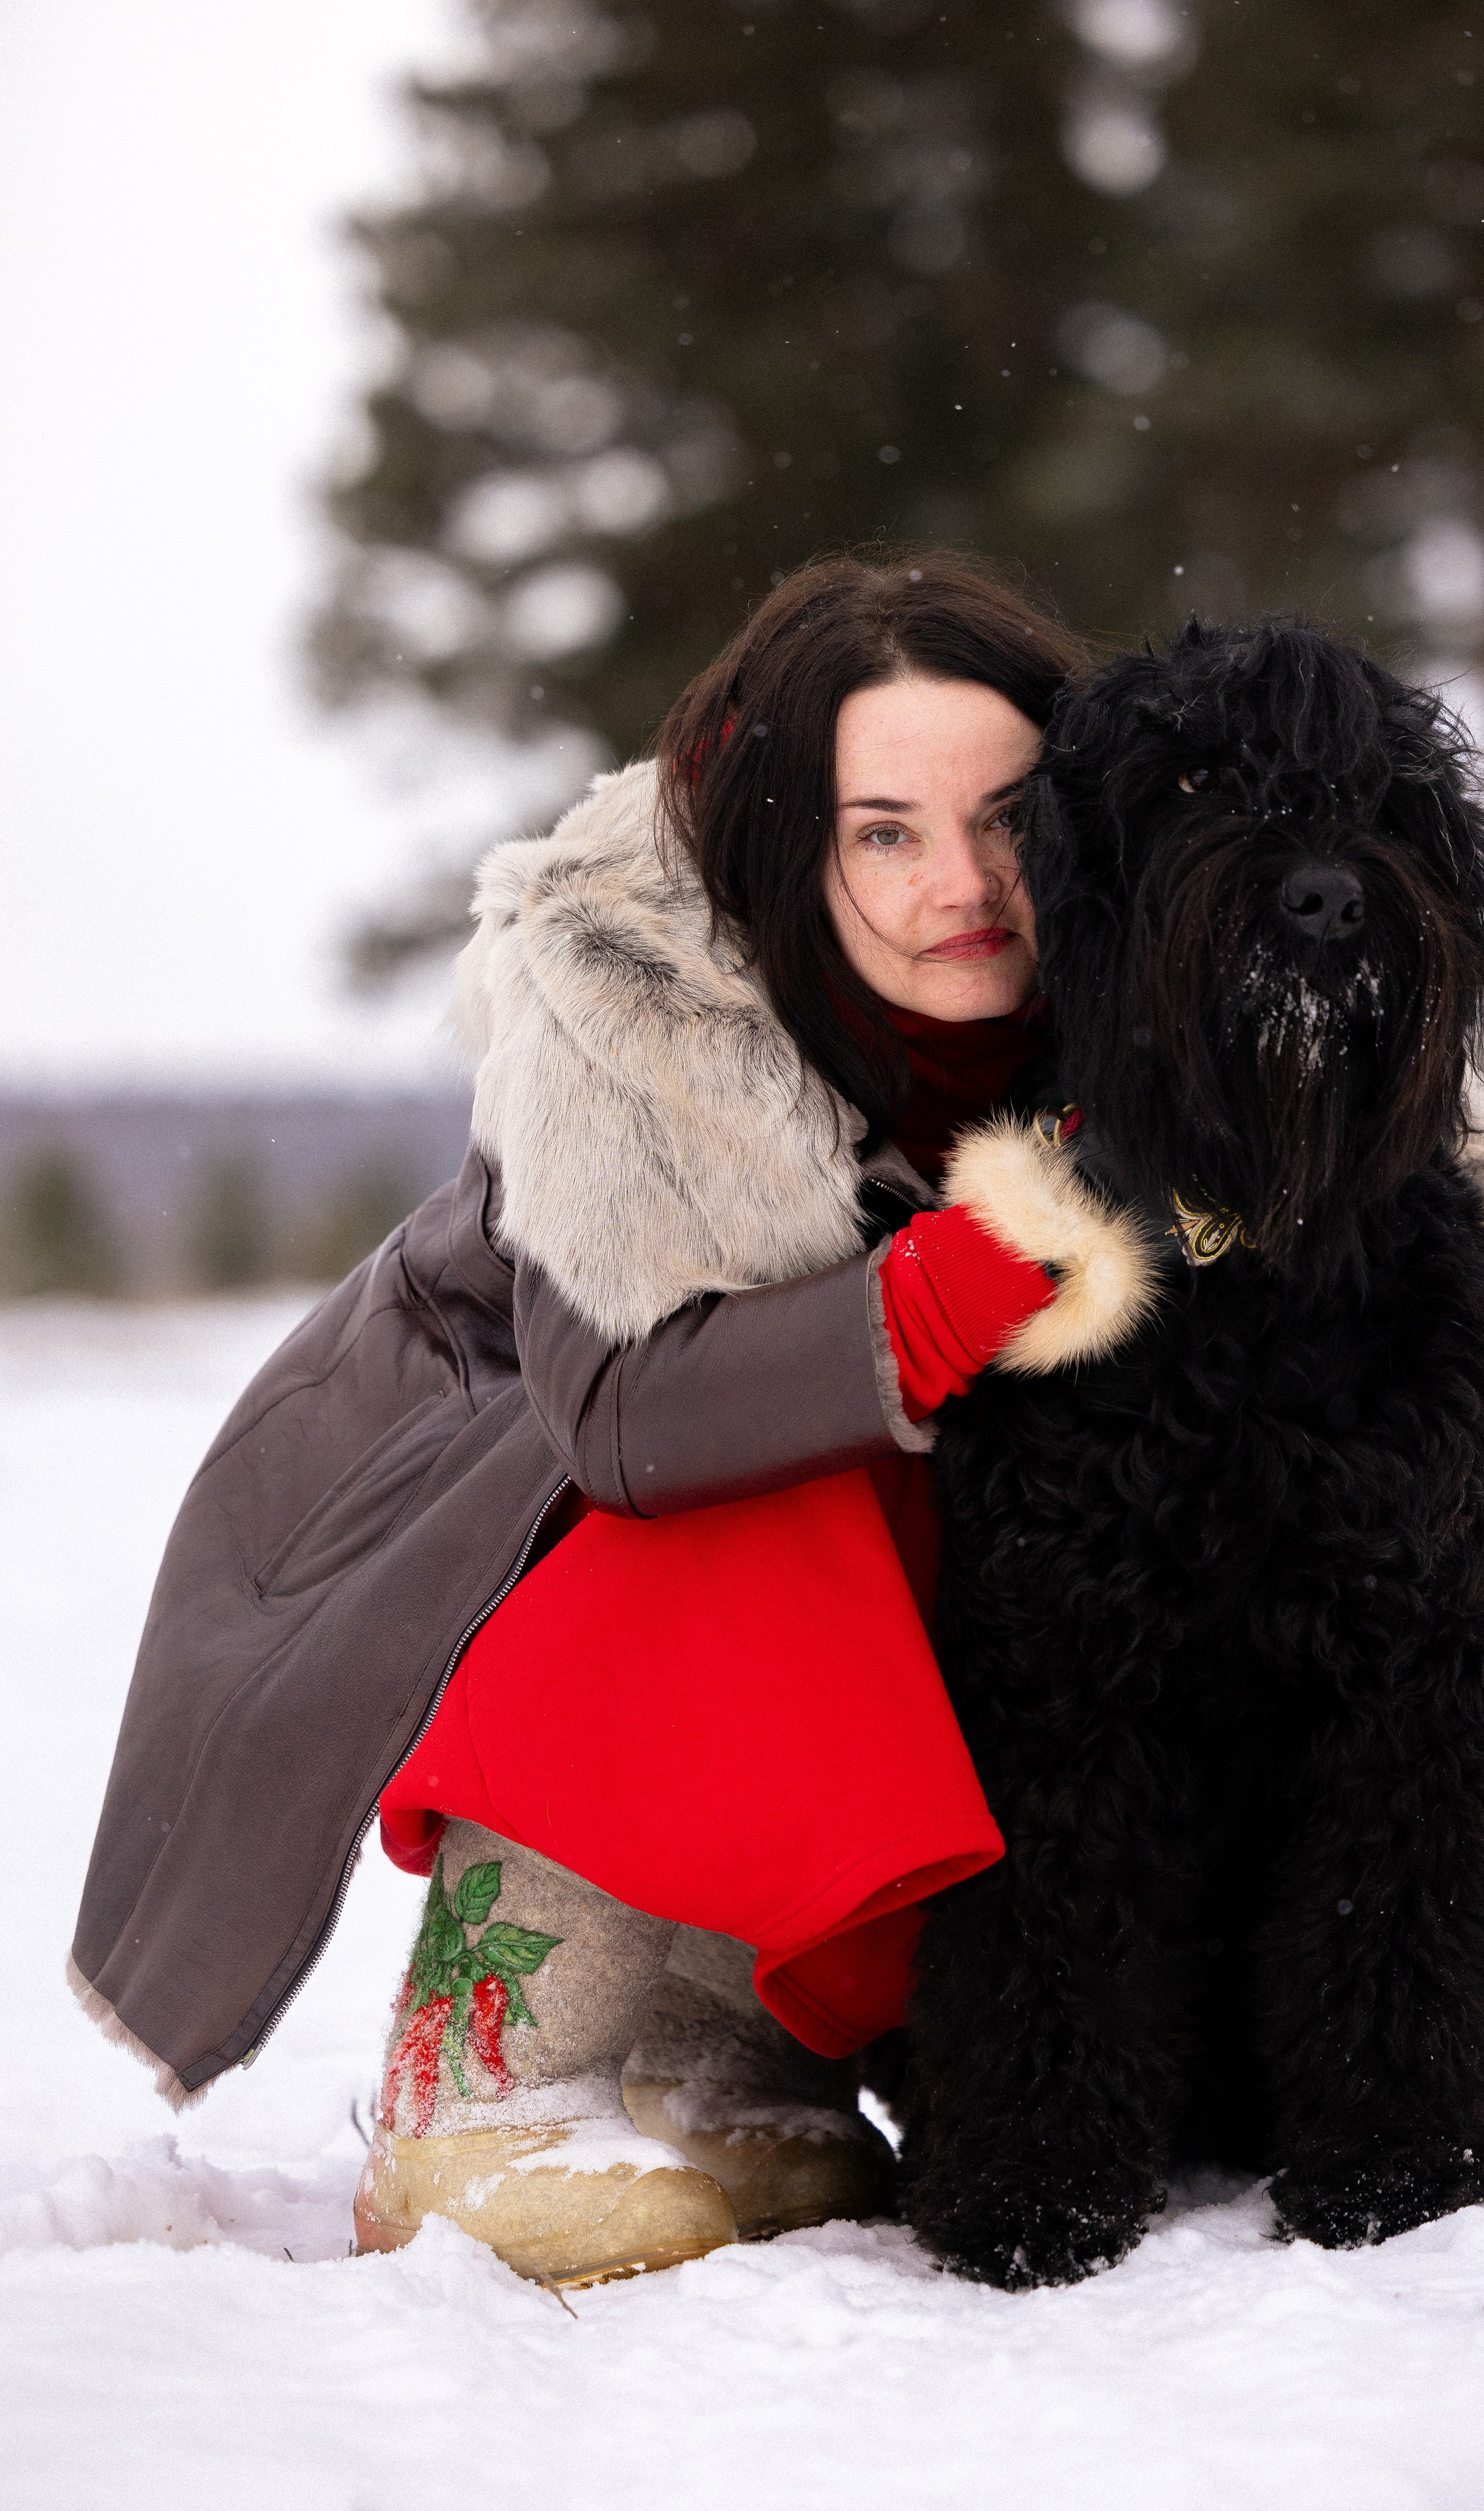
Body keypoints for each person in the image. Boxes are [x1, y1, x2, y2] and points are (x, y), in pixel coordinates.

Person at [69, 554, 1158, 2289]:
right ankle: (482, 2080)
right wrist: (939, 1290)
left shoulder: (1132, 1004)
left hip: (821, 1558)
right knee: (776, 1468)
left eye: (1007, 818)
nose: (961, 884)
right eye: (882, 830)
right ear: (785, 841)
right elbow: (626, 1416)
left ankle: (729, 2052)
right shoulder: (641, 1009)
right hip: (481, 1513)